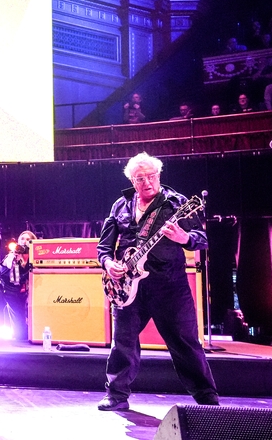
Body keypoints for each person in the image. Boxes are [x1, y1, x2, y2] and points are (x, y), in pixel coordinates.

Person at [95, 152, 218, 411]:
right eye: (140, 178)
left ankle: (207, 399)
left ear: (159, 175)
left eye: (151, 176)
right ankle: (116, 394)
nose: (147, 182)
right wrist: (109, 265)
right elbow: (103, 248)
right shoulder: (120, 205)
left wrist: (184, 238)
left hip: (169, 285)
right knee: (123, 342)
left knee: (185, 343)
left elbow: (202, 238)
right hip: (129, 287)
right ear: (132, 180)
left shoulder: (177, 203)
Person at [0, 230, 36, 341]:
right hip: (1, 287)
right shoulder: (11, 257)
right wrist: (14, 259)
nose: (25, 241)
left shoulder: (34, 260)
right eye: (22, 239)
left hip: (15, 293)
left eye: (28, 240)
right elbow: (10, 274)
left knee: (20, 335)